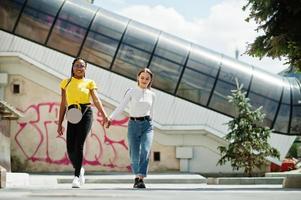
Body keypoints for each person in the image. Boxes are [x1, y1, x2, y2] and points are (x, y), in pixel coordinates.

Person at [57, 57, 108, 188]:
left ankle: (76, 176)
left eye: (82, 66)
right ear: (72, 67)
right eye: (77, 65)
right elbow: (63, 103)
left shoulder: (90, 82)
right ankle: (80, 169)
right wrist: (59, 123)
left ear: (85, 69)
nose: (79, 68)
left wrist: (105, 116)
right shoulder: (65, 83)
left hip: (86, 113)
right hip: (72, 113)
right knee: (70, 147)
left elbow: (96, 100)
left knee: (79, 144)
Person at [106, 68, 156, 188]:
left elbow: (152, 111)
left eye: (147, 78)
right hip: (133, 124)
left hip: (147, 125)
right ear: (138, 78)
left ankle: (140, 178)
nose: (144, 80)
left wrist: (151, 123)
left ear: (150, 81)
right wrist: (110, 118)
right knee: (134, 153)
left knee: (145, 150)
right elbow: (121, 106)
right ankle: (136, 177)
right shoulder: (131, 91)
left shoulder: (152, 95)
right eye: (142, 77)